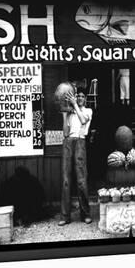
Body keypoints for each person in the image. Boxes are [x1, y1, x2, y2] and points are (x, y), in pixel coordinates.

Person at [59, 87, 93, 226]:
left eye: (82, 96)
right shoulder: (71, 112)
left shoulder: (87, 111)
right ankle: (65, 216)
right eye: (77, 96)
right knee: (66, 181)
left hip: (80, 141)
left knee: (81, 180)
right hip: (68, 142)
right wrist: (65, 115)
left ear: (85, 99)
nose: (79, 98)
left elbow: (84, 121)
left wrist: (73, 105)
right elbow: (65, 132)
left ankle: (85, 214)